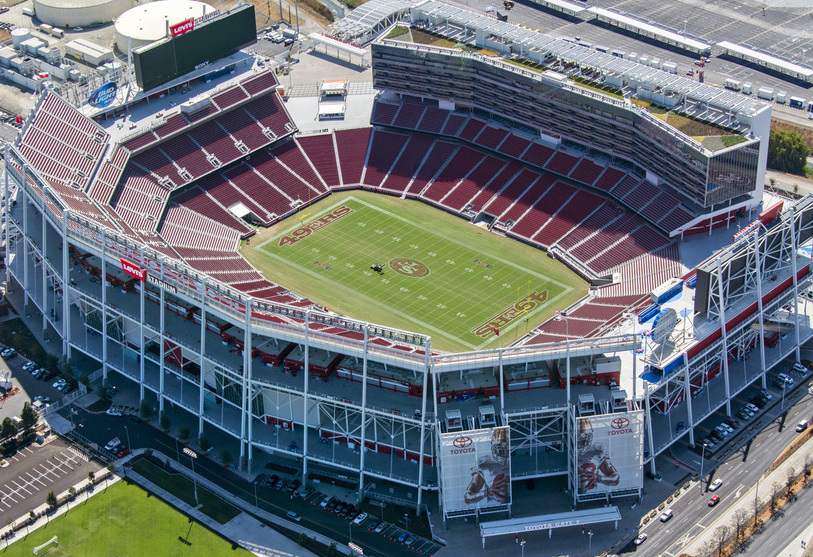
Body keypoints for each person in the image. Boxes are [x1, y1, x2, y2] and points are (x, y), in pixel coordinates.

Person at [463, 428, 510, 505]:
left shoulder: (511, 460)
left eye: (506, 448)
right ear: (493, 446)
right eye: (500, 449)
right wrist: (486, 492)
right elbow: (468, 497)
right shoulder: (485, 462)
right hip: (495, 503)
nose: (504, 452)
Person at [577, 419, 620, 492]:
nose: (581, 444)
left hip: (584, 486)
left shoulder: (598, 449)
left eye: (584, 440)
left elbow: (615, 479)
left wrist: (599, 478)